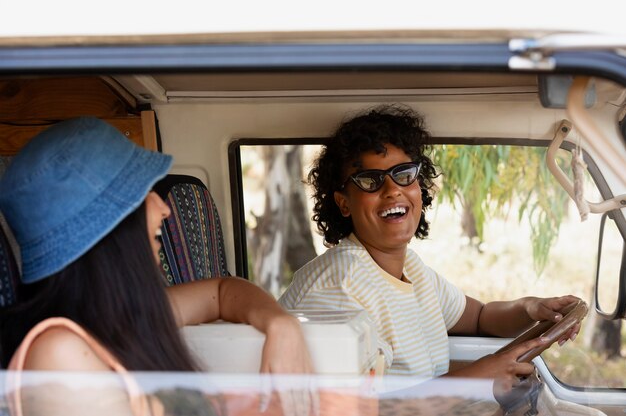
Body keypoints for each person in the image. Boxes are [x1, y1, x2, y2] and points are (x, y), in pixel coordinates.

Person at [0, 117, 313, 413]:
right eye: (144, 193)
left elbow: (221, 290)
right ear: (107, 228)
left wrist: (280, 324)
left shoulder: (120, 314)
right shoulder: (60, 354)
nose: (164, 209)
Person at [279, 104, 581, 379]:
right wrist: (478, 377)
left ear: (419, 187)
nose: (392, 190)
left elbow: (479, 317)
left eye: (404, 174)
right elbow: (352, 408)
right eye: (370, 180)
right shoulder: (337, 290)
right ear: (344, 203)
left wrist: (531, 308)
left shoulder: (411, 268)